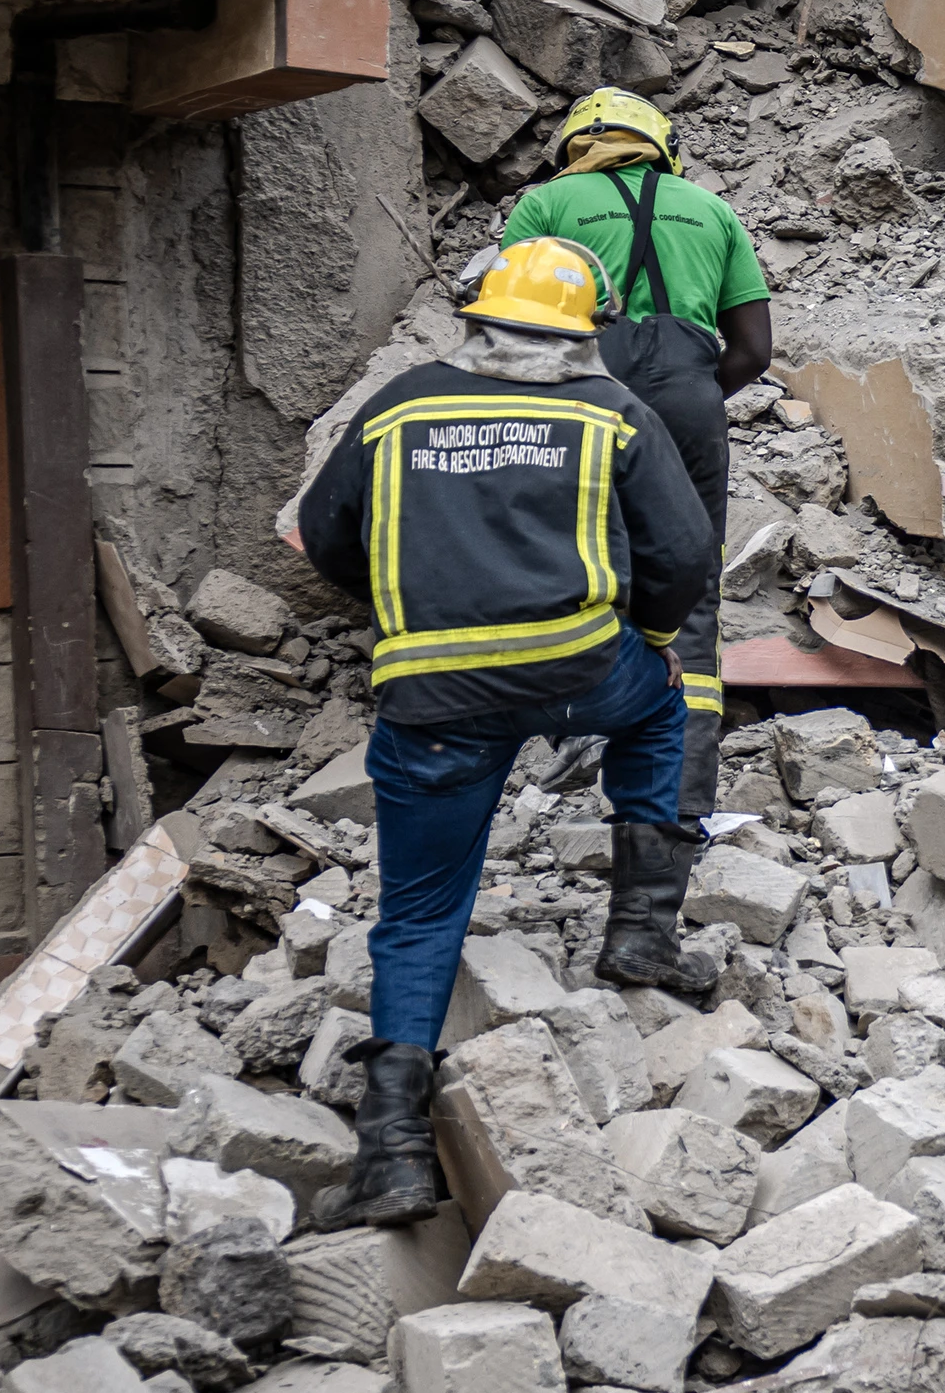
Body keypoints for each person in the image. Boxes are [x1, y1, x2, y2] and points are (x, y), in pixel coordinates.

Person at [287, 238, 722, 1230]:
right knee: (664, 700)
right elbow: (687, 551)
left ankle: (394, 1151)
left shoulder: (401, 404)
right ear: (588, 330)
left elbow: (322, 536)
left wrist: (414, 607)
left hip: (435, 700)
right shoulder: (610, 410)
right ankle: (643, 935)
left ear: (476, 315)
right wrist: (649, 638)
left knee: (420, 913)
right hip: (582, 672)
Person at [495, 87, 774, 818]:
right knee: (691, 590)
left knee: (571, 567)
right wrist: (691, 396)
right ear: (661, 143)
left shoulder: (546, 208)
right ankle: (676, 806)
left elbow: (511, 331)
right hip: (690, 400)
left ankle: (567, 752)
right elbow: (754, 349)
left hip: (580, 395)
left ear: (573, 149)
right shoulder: (712, 210)